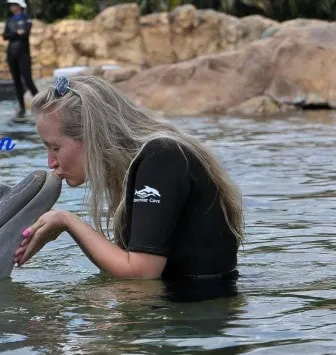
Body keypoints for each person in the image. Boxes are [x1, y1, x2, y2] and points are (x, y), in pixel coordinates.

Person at [13, 75, 245, 280]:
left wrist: (67, 221)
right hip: (180, 311)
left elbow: (142, 272)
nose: (50, 162)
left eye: (55, 147)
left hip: (196, 318)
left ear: (92, 136)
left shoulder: (161, 156)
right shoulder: (142, 163)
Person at [2, 0, 39, 119]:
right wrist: (16, 33)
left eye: (14, 5)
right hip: (11, 53)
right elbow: (5, 35)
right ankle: (22, 108)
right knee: (16, 82)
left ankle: (42, 105)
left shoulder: (27, 18)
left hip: (23, 53)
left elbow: (25, 33)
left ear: (20, 6)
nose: (11, 7)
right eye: (11, 5)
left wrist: (15, 34)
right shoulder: (9, 20)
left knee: (28, 80)